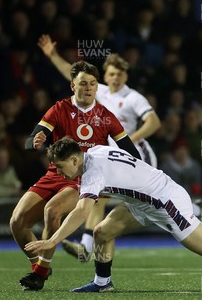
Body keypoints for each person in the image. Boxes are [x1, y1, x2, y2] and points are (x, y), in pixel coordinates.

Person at [24, 137, 202, 292]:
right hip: (143, 202)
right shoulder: (94, 151)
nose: (59, 172)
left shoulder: (92, 173)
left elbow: (81, 212)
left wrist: (52, 241)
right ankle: (102, 283)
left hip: (165, 203)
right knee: (102, 231)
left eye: (60, 167)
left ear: (75, 160)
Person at [10, 60, 140, 291]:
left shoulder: (105, 116)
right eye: (83, 84)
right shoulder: (59, 109)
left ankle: (39, 274)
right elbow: (32, 139)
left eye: (92, 84)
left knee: (52, 210)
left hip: (83, 179)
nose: (88, 88)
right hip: (54, 174)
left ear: (97, 87)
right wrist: (35, 142)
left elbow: (130, 150)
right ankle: (40, 266)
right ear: (72, 86)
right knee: (17, 222)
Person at [37, 34, 161, 261]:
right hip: (108, 157)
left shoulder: (133, 97)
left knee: (150, 198)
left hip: (134, 155)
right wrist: (53, 55)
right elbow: (70, 73)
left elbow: (154, 122)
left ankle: (192, 209)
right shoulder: (98, 90)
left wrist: (130, 140)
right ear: (106, 75)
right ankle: (86, 247)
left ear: (126, 75)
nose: (116, 78)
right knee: (96, 198)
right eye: (112, 74)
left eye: (120, 74)